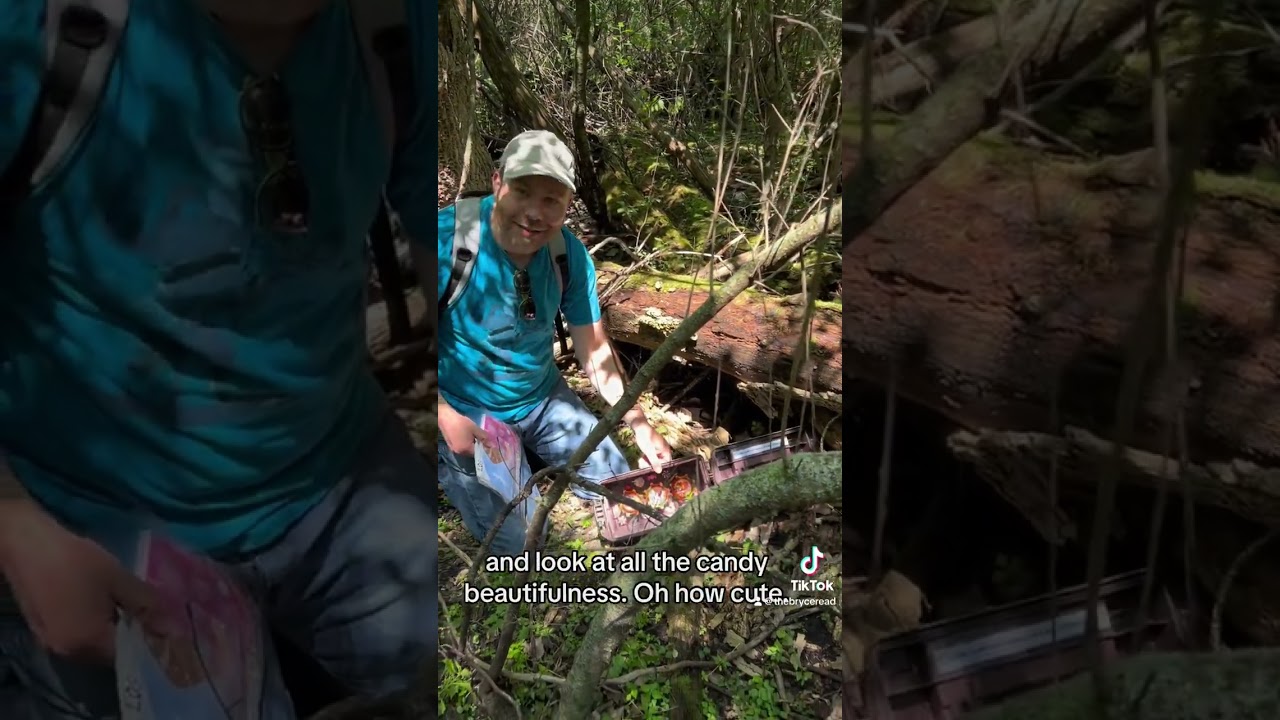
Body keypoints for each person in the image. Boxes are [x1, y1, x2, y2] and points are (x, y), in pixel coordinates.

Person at [0, 1, 439, 717]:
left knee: (477, 661)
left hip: (340, 471)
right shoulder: (37, 27)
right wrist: (15, 524)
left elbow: (434, 237)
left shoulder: (392, 22)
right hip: (83, 507)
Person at [436, 130, 675, 555]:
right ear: (497, 183)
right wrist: (443, 414)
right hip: (467, 410)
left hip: (542, 398)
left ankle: (531, 452)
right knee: (523, 545)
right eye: (522, 192)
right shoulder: (445, 241)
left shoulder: (567, 255)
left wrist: (638, 424)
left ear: (567, 205)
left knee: (624, 497)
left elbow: (594, 351)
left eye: (551, 200)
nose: (533, 213)